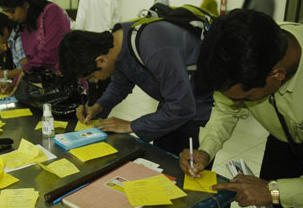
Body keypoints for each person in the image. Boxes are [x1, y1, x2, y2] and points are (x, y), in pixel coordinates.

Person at [179, 9, 303, 208]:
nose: (235, 102)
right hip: (283, 140)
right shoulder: (249, 53)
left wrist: (275, 191)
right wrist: (206, 150)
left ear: (277, 75)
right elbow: (226, 110)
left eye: (244, 98)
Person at [58, 20, 213, 156]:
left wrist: (130, 126)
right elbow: (120, 84)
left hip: (199, 108)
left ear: (101, 61)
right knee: (161, 159)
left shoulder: (153, 47)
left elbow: (182, 107)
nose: (96, 81)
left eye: (92, 77)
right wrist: (98, 108)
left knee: (186, 170)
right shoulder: (117, 42)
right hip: (173, 103)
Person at [0, 0, 70, 94]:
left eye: (12, 11)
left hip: (63, 86)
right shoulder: (24, 24)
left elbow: (51, 53)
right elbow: (30, 63)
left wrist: (23, 73)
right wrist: (13, 84)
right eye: (6, 12)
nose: (10, 16)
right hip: (44, 86)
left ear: (25, 4)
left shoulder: (51, 12)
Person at [0, 12, 27, 79]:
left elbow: (28, 70)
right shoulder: (11, 40)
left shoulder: (18, 40)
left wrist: (4, 74)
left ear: (4, 30)